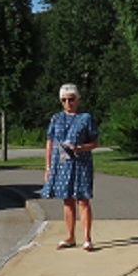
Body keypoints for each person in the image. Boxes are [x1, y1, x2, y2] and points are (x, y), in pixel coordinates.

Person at [41, 83, 99, 252]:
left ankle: (87, 238)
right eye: (64, 100)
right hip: (61, 164)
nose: (68, 103)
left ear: (77, 99)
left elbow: (95, 142)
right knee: (67, 200)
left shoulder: (86, 118)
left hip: (81, 163)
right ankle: (70, 236)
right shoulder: (56, 118)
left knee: (82, 199)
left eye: (71, 99)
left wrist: (80, 147)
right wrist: (47, 167)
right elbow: (50, 142)